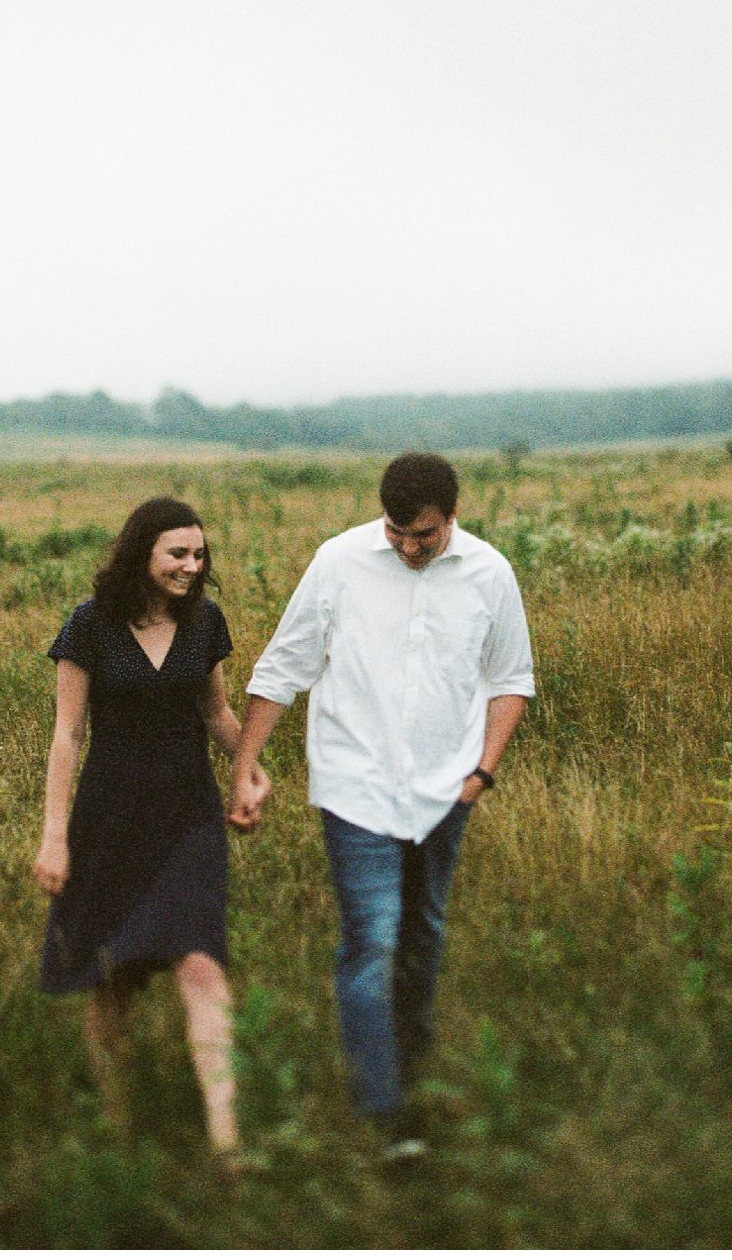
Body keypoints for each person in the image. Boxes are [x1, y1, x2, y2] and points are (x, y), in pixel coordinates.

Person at [227, 452, 534, 1160]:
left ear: (452, 517)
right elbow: (282, 666)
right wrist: (245, 767)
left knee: (423, 937)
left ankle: (412, 1064)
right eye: (397, 531)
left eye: (423, 534)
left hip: (445, 789)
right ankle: (383, 1112)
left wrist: (481, 773)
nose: (407, 545)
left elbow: (511, 679)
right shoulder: (338, 562)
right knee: (373, 938)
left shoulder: (491, 573)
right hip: (355, 785)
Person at [32, 496, 265, 1170]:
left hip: (189, 816)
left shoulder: (205, 622)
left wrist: (249, 772)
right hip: (109, 818)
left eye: (199, 555)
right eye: (178, 554)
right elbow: (67, 735)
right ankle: (115, 1124)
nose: (192, 566)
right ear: (142, 552)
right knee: (116, 976)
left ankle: (227, 1141)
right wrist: (55, 835)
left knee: (201, 965)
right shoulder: (90, 625)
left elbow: (218, 712)